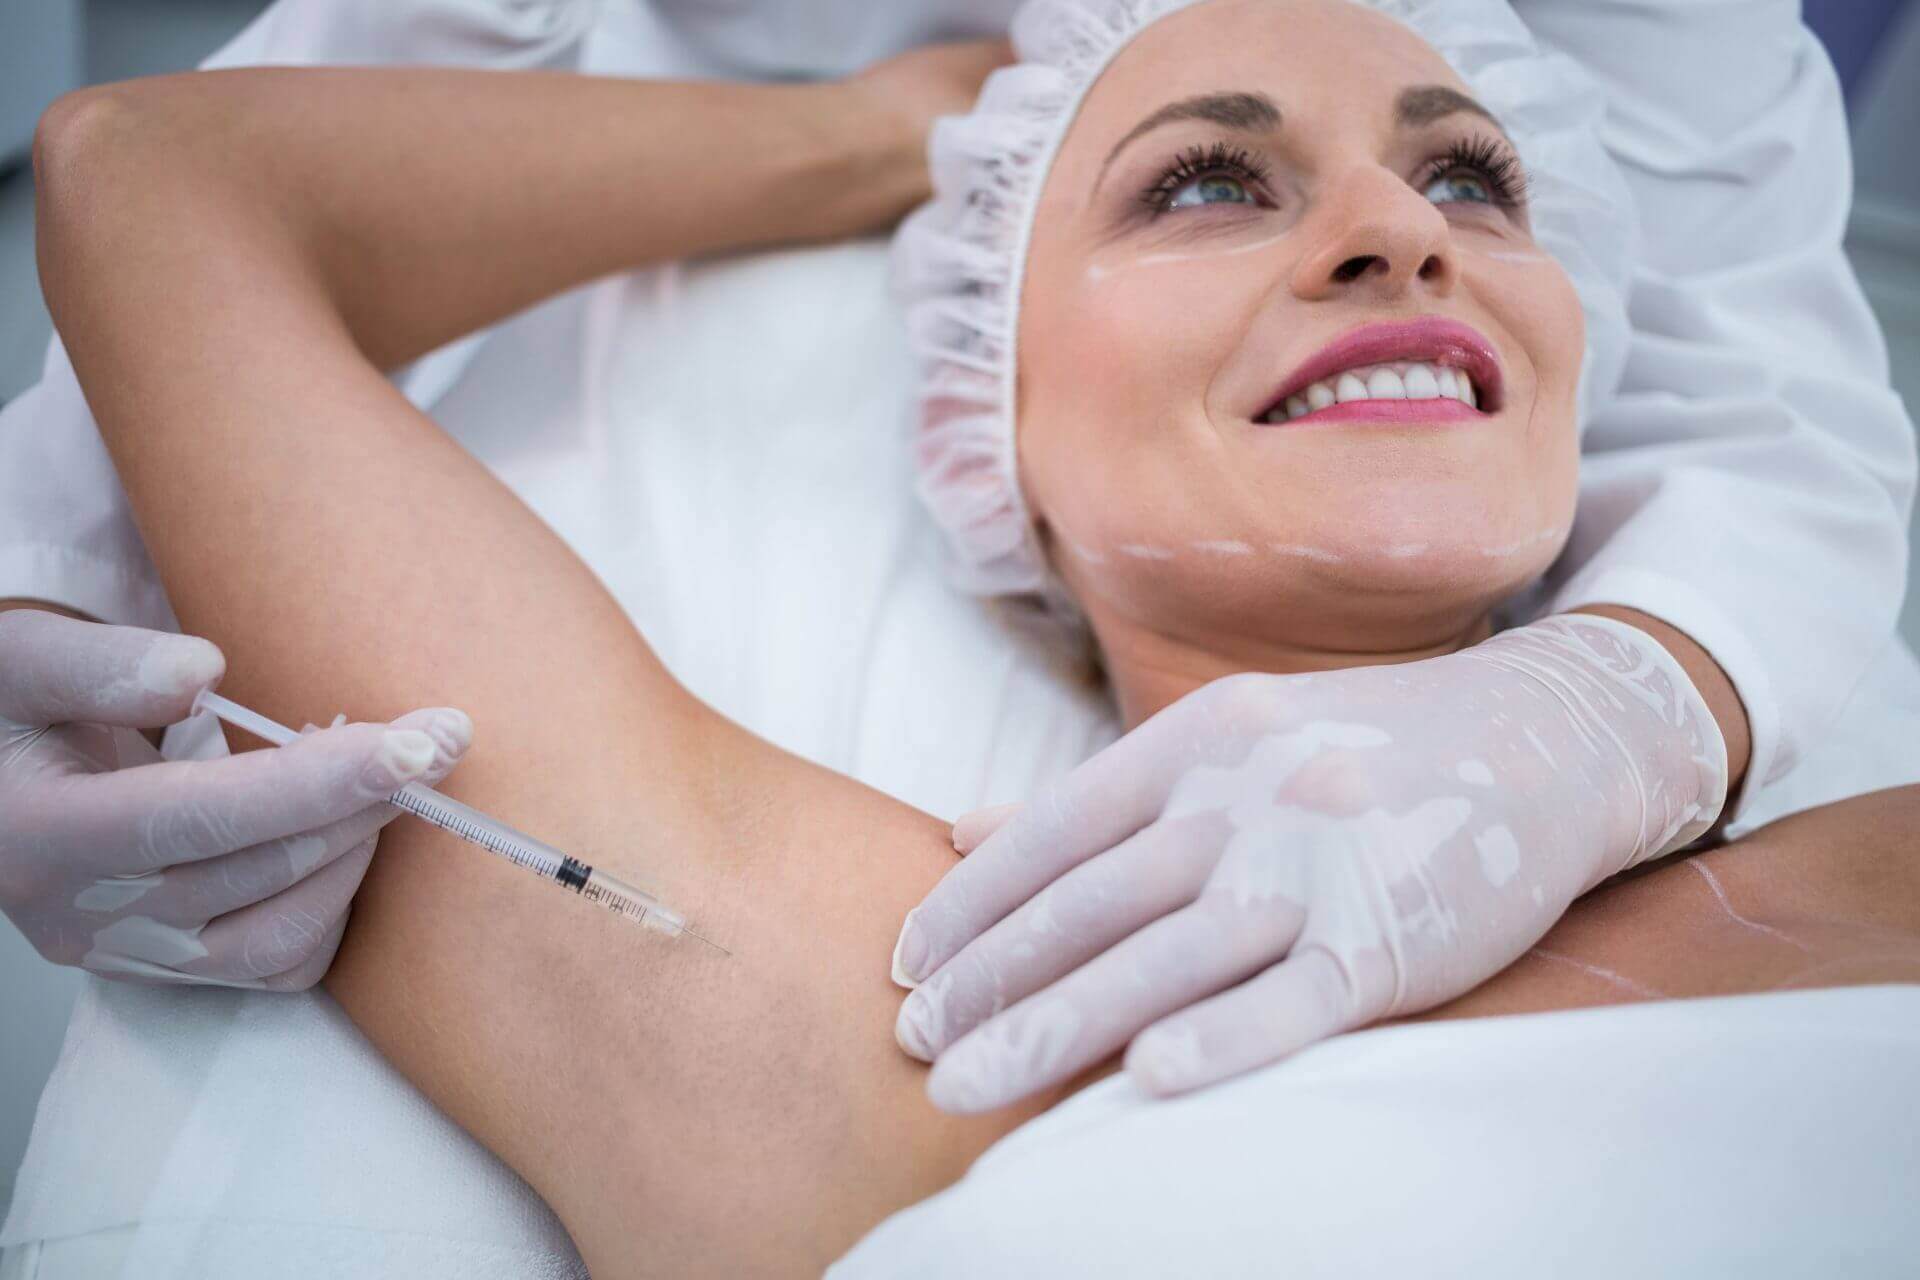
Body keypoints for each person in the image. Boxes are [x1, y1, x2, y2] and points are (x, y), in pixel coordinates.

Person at [15, 0, 1920, 1274]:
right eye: (1201, 181)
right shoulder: (919, 1014)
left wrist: (1629, 698)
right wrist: (880, 136)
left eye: (1471, 181)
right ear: (988, 425)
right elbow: (157, 178)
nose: (1389, 232)